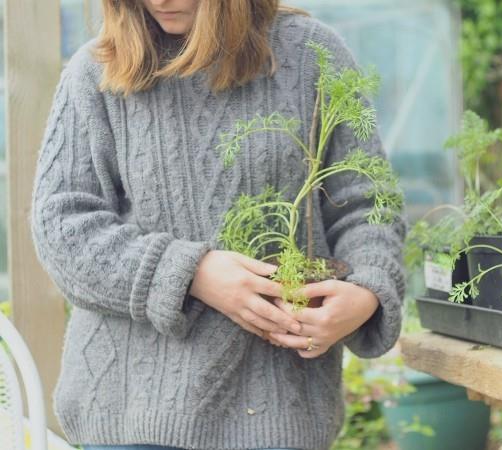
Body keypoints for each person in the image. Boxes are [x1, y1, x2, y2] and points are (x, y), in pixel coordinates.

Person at [30, 1, 406, 449]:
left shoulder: (309, 54)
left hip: (280, 416)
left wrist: (366, 292)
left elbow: (368, 205)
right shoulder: (98, 71)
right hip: (131, 417)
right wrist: (191, 273)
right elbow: (62, 228)